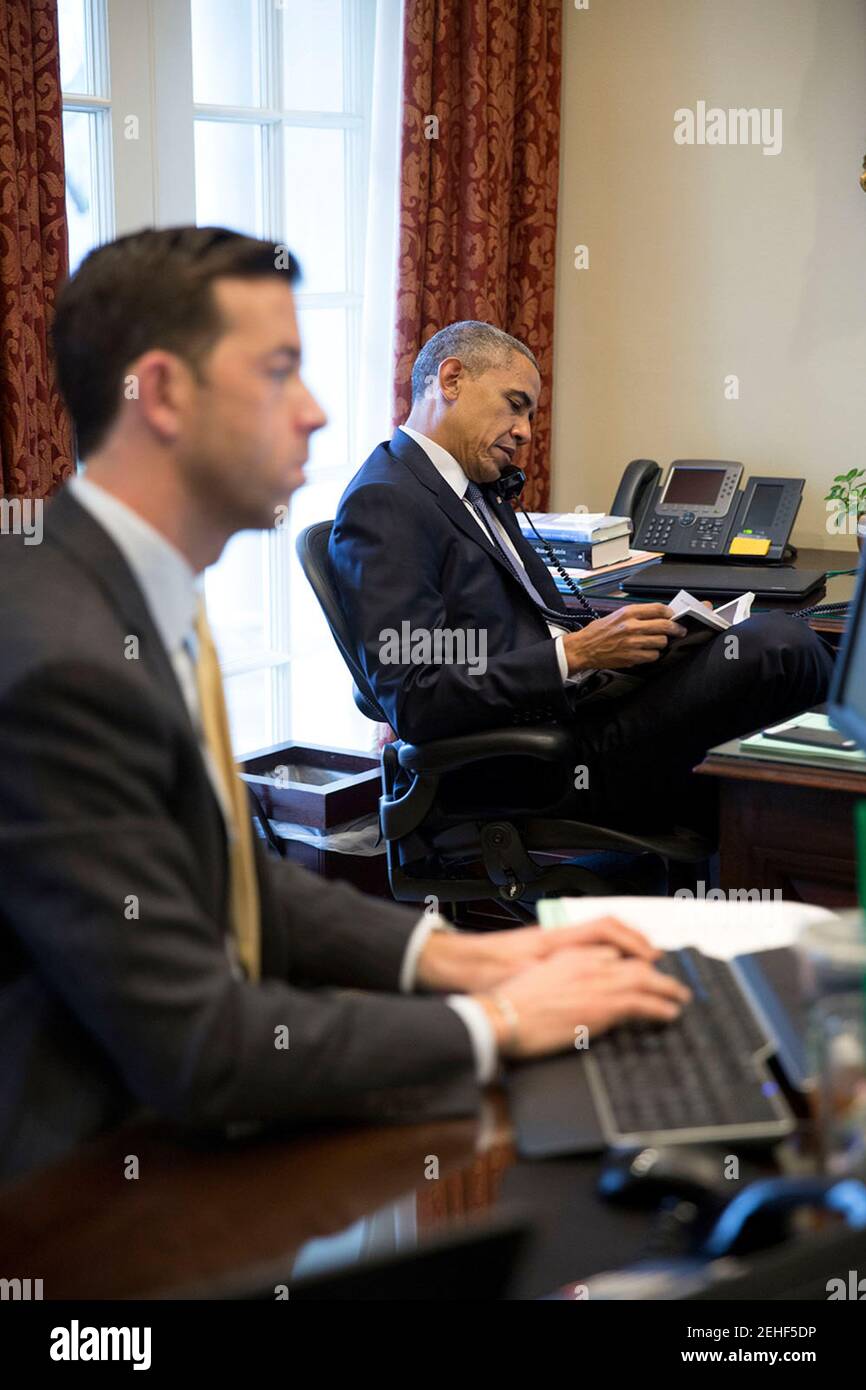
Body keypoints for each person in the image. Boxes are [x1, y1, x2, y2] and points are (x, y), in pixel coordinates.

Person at [0, 230, 690, 1181]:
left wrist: (463, 960)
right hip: (89, 1189)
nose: (317, 412)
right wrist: (498, 1021)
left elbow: (233, 881)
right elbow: (201, 1046)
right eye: (279, 372)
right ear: (161, 395)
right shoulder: (61, 657)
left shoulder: (136, 595)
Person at [329, 320, 832, 831]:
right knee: (776, 648)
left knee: (764, 643)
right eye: (515, 404)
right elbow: (417, 697)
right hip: (534, 762)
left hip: (576, 715)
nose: (525, 432)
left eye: (529, 415)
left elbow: (525, 626)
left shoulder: (473, 487)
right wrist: (576, 653)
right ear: (452, 379)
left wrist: (643, 640)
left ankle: (777, 851)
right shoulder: (386, 501)